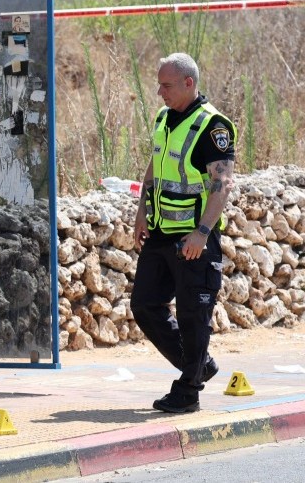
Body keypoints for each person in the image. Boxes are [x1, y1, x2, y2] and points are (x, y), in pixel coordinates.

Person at [131, 52, 236, 414]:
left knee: (193, 317)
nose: (160, 92)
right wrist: (142, 211)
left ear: (189, 84)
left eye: (167, 85)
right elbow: (155, 166)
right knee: (143, 305)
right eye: (159, 84)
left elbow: (221, 184)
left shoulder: (213, 126)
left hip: (193, 238)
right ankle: (200, 365)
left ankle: (188, 389)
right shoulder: (164, 118)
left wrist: (203, 233)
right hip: (160, 233)